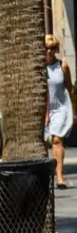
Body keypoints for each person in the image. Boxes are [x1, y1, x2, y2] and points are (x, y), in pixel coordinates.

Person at [48, 36, 74, 189]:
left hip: (61, 107)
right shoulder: (38, 68)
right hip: (45, 107)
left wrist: (74, 110)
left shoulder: (62, 66)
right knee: (46, 142)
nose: (50, 51)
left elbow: (70, 87)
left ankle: (59, 176)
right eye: (47, 48)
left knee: (57, 140)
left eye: (52, 48)